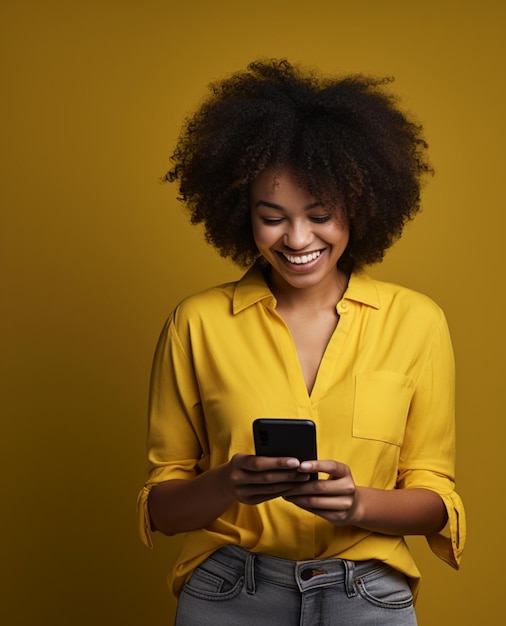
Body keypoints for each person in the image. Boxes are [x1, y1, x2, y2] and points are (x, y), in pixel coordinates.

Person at [137, 59, 466, 626]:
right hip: (228, 595)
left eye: (320, 216)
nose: (296, 239)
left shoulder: (417, 321)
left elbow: (437, 498)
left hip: (368, 598)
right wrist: (229, 482)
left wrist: (358, 503)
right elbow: (162, 508)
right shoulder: (196, 323)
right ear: (242, 214)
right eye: (273, 217)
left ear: (359, 209)